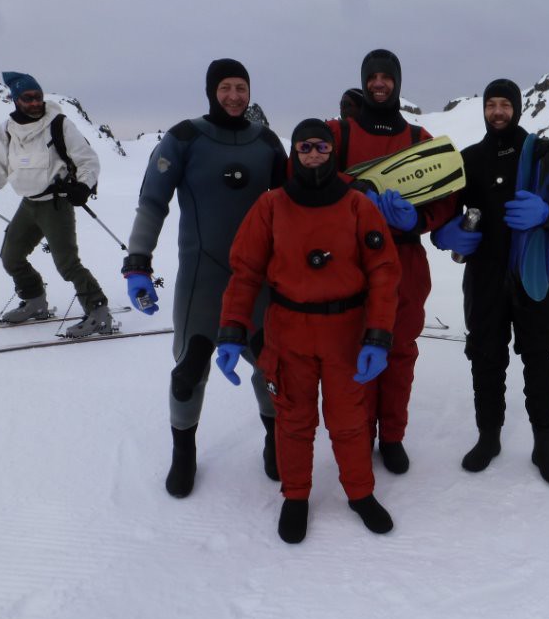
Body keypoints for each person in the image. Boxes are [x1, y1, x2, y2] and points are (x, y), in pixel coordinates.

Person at [216, 119, 401, 543]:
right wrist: (231, 330)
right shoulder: (271, 207)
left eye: (320, 146)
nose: (313, 154)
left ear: (332, 152)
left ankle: (359, 492)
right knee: (293, 420)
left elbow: (384, 273)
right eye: (304, 147)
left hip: (345, 331)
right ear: (293, 153)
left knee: (349, 420)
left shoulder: (358, 206)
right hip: (289, 330)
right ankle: (296, 495)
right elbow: (244, 273)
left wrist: (378, 335)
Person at [121, 58, 287, 498]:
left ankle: (275, 443)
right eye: (226, 88)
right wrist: (138, 261)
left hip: (257, 282)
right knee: (187, 373)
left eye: (242, 88)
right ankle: (184, 455)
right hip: (202, 279)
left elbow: (300, 203)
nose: (234, 96)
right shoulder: (185, 138)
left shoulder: (267, 143)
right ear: (212, 91)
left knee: (273, 368)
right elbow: (152, 201)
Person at [431, 79, 549, 485]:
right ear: (484, 110)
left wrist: (547, 215)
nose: (498, 112)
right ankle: (489, 438)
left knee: (539, 358)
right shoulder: (469, 159)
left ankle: (544, 446)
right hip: (483, 278)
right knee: (485, 358)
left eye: (505, 105)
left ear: (517, 109)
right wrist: (444, 234)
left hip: (532, 275)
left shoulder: (544, 156)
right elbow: (439, 212)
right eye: (491, 105)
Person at [326, 49, 456, 474]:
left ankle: (393, 436)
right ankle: (361, 435)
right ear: (364, 82)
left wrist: (418, 218)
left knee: (399, 355)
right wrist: (354, 188)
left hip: (404, 261)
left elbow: (447, 197)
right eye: (373, 77)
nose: (380, 84)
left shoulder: (421, 140)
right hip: (352, 262)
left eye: (387, 77)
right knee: (357, 354)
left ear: (397, 83)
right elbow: (303, 169)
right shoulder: (338, 134)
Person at [0, 71, 111, 338]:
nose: (34, 103)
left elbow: (88, 160)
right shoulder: (7, 129)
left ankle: (99, 313)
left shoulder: (59, 124)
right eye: (28, 98)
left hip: (56, 204)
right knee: (10, 257)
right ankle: (35, 301)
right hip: (29, 204)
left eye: (38, 97)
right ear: (15, 99)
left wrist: (83, 186)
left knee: (67, 264)